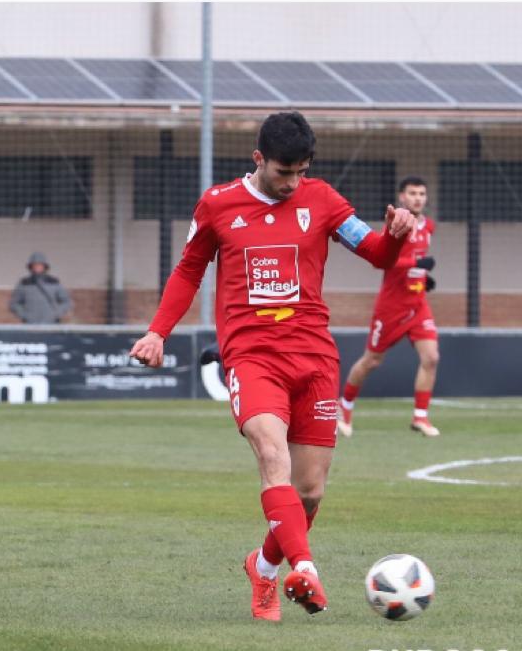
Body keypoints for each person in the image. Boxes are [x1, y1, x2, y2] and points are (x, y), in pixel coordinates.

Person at [129, 111, 415, 621]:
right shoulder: (218, 205)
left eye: (301, 171)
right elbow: (189, 269)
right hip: (251, 355)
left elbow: (377, 254)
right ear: (258, 158)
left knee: (308, 494)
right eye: (284, 171)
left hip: (314, 357)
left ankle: (262, 569)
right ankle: (305, 568)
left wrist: (395, 234)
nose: (293, 183)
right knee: (270, 450)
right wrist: (157, 331)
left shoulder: (323, 200)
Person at [338, 177, 441, 438]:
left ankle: (420, 417)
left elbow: (416, 264)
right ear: (402, 197)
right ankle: (344, 408)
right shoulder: (397, 225)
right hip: (391, 306)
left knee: (431, 357)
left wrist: (422, 276)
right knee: (372, 360)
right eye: (412, 193)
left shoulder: (428, 226)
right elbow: (381, 262)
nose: (418, 198)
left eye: (422, 193)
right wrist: (417, 262)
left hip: (417, 304)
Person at [8, 252, 73, 324]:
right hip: (30, 326)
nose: (37, 267)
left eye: (39, 265)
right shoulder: (24, 284)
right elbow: (13, 304)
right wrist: (25, 315)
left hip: (51, 325)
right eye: (35, 265)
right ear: (30, 267)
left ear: (45, 266)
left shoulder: (54, 283)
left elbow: (67, 302)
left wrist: (56, 314)